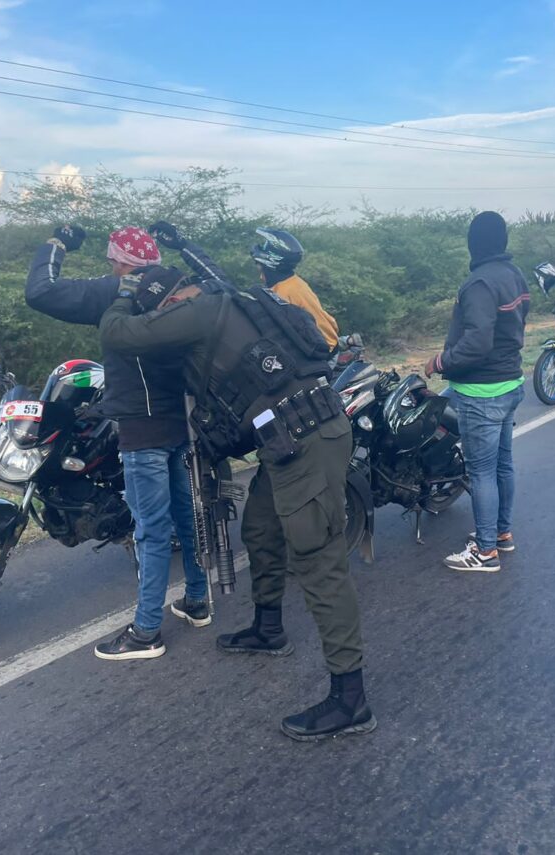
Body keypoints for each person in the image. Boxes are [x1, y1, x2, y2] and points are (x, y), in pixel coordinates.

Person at [101, 221, 375, 742]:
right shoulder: (232, 298)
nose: (166, 319)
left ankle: (350, 698)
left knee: (318, 564)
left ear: (171, 300)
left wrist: (124, 292)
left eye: (163, 310)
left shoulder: (197, 312)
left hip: (308, 439)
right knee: (262, 529)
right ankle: (268, 628)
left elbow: (120, 334)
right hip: (291, 436)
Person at [25, 224, 211, 661]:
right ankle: (198, 602)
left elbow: (41, 291)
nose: (111, 267)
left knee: (149, 529)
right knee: (186, 517)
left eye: (113, 260)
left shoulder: (116, 290)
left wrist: (57, 244)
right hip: (182, 424)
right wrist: (186, 242)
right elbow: (223, 284)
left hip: (141, 430)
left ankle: (147, 632)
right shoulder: (185, 288)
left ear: (123, 261)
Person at [423, 211, 529, 572]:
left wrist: (440, 362)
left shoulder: (479, 282)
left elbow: (477, 343)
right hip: (510, 382)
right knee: (502, 464)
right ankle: (501, 534)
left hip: (482, 391)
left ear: (474, 242)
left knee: (481, 471)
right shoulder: (513, 275)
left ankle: (485, 553)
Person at [250, 227, 339, 350]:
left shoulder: (290, 291)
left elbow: (322, 328)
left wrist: (326, 349)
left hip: (322, 350)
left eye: (266, 246)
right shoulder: (284, 283)